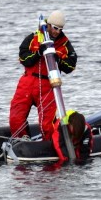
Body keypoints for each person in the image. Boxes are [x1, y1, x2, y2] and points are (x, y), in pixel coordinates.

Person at [9, 10, 77, 140]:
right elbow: (23, 58)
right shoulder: (33, 38)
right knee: (16, 118)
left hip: (48, 85)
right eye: (55, 28)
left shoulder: (64, 44)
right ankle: (21, 141)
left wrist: (58, 60)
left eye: (60, 29)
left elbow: (71, 65)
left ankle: (49, 147)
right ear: (49, 24)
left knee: (47, 124)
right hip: (28, 82)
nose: (57, 31)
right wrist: (38, 53)